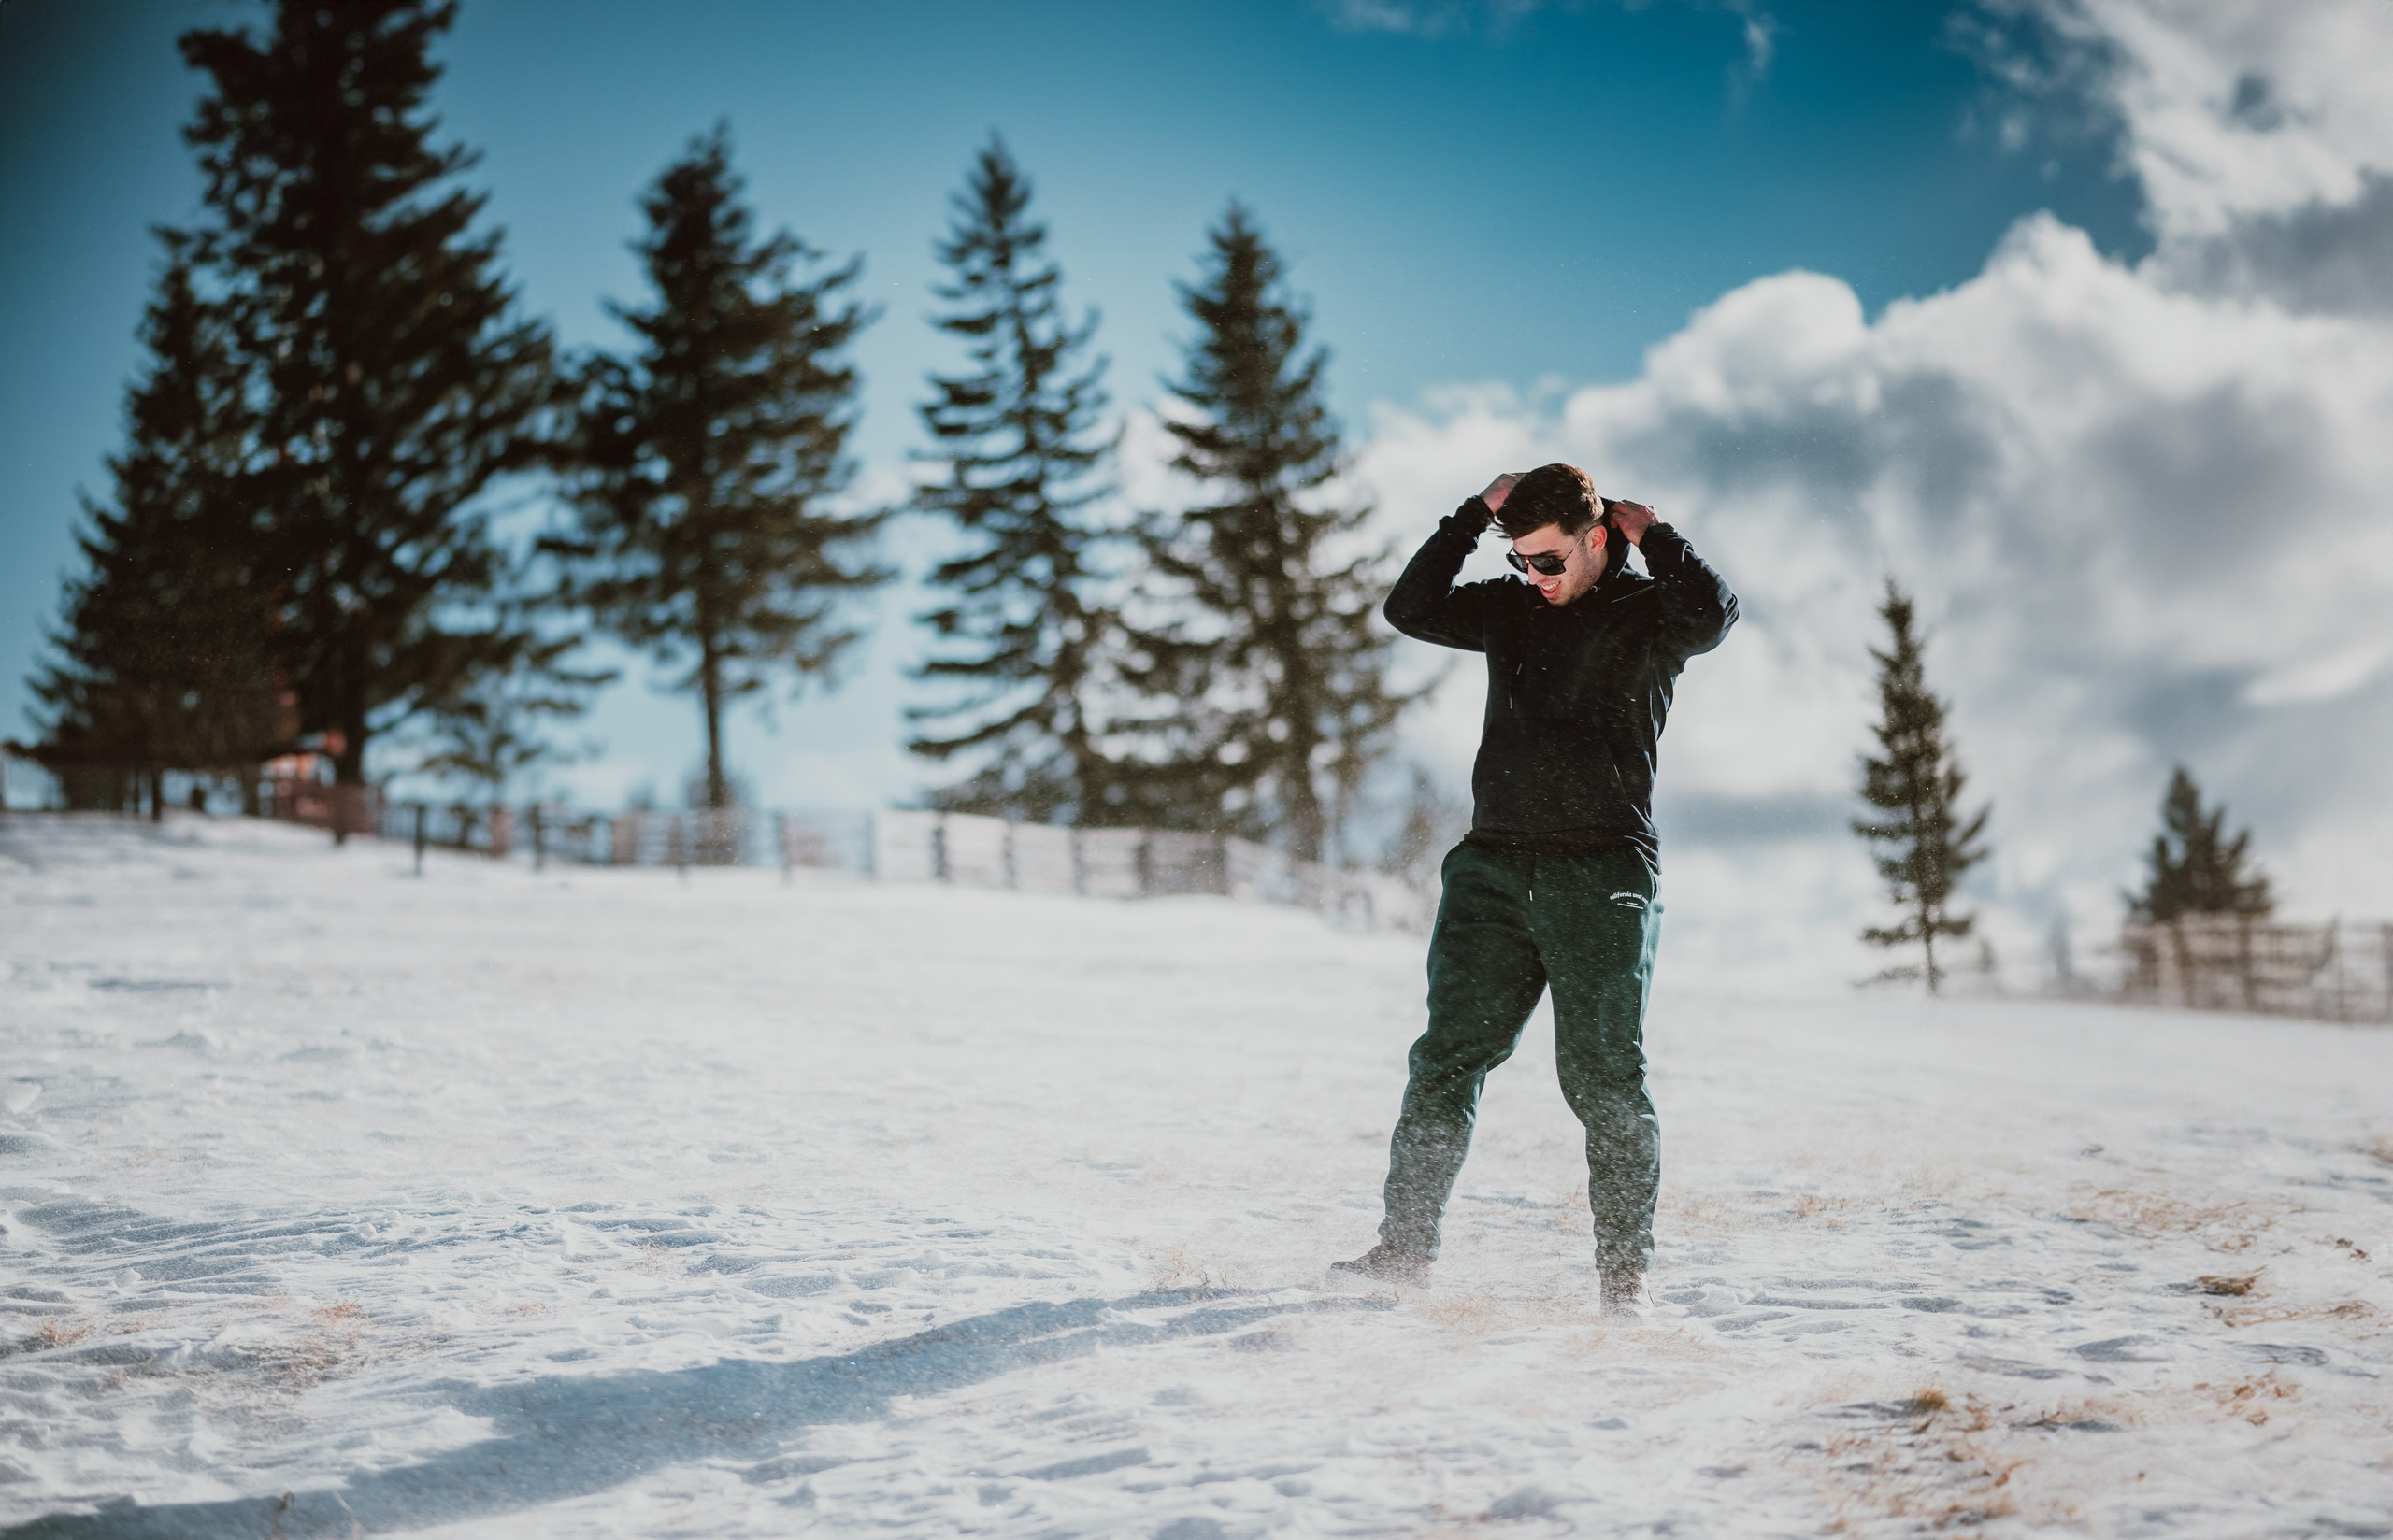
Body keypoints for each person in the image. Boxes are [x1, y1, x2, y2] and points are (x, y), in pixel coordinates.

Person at [1330, 463, 1738, 1316]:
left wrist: (1654, 534)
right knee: (1445, 1060)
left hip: (1602, 870)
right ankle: (1402, 1253)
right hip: (1493, 866)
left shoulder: (1650, 613)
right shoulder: (1509, 609)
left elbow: (1713, 614)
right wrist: (1473, 515)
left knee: (1602, 1078)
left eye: (1549, 560)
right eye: (1519, 559)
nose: (1534, 576)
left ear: (1597, 540)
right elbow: (1410, 608)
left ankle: (1623, 1283)